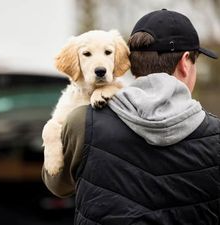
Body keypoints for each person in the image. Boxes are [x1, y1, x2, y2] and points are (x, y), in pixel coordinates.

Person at [42, 9, 220, 224]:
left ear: (130, 62)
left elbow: (59, 186)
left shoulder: (81, 121)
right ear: (185, 62)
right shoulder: (215, 133)